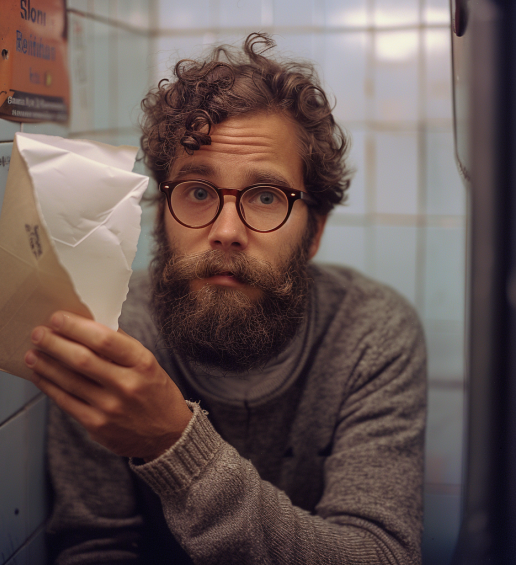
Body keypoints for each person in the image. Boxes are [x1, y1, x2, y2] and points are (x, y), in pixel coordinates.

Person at [25, 33, 427, 564]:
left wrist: (175, 443)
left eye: (266, 197)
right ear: (162, 211)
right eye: (197, 191)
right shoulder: (114, 334)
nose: (226, 230)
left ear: (315, 231)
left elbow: (380, 555)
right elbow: (95, 547)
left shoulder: (372, 334)